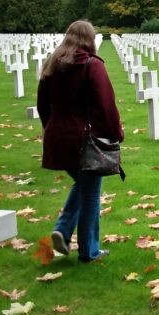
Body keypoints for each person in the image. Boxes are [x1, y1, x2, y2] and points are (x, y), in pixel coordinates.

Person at [38, 20, 124, 263]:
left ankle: (63, 231)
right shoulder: (92, 66)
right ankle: (89, 250)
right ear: (89, 39)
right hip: (83, 139)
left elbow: (42, 105)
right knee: (90, 194)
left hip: (57, 135)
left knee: (83, 184)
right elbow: (106, 105)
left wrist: (49, 129)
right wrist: (116, 132)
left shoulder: (51, 65)